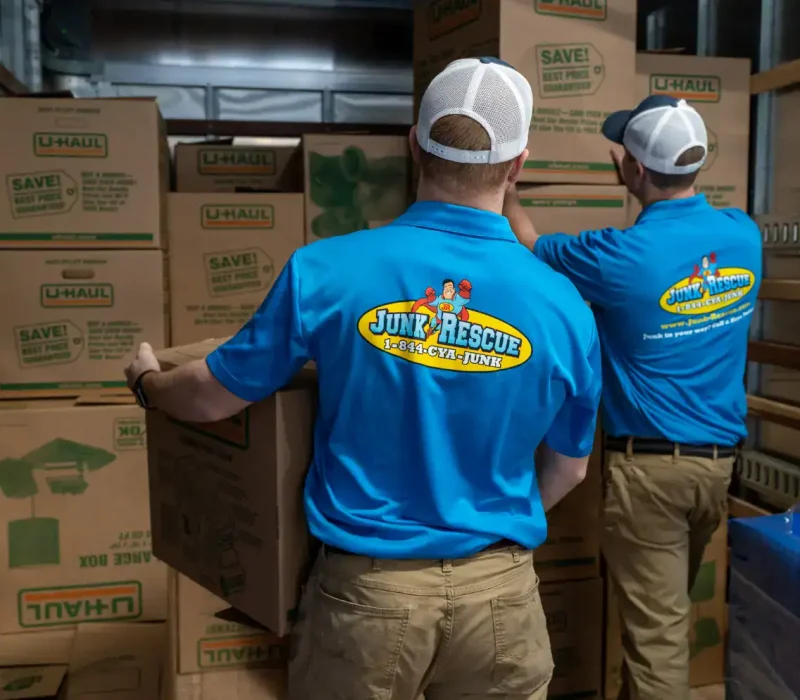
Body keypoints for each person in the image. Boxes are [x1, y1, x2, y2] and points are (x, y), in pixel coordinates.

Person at [125, 57, 602, 700]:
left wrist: (149, 386)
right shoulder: (564, 305)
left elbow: (212, 395)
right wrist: (482, 534)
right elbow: (569, 470)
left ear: (414, 144)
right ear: (518, 166)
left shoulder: (326, 271)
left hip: (368, 596)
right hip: (501, 597)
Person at [504, 95, 762, 700]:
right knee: (658, 620)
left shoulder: (616, 258)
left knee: (657, 644)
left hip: (649, 476)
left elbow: (527, 248)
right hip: (716, 471)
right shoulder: (743, 235)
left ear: (635, 171)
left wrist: (509, 190)